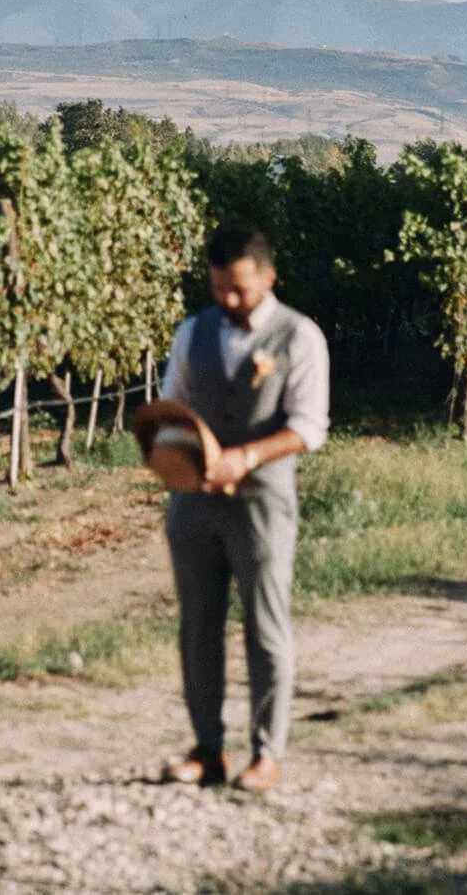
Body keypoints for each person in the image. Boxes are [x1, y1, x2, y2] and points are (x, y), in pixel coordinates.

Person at [157, 223, 329, 795]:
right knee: (198, 626)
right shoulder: (193, 332)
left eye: (241, 290)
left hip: (262, 502)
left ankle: (267, 752)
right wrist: (178, 459)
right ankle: (208, 749)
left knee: (265, 627)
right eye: (219, 289)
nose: (229, 301)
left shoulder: (300, 336)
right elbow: (174, 404)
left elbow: (308, 426)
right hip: (194, 504)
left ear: (268, 277)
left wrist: (246, 456)